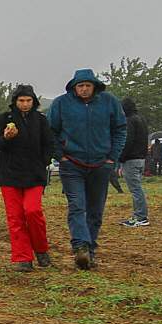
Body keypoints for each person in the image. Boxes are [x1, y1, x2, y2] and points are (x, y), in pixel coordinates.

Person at [49, 69, 127, 270]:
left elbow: (120, 129)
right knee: (77, 205)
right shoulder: (61, 103)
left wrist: (112, 158)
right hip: (72, 163)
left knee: (95, 210)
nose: (84, 89)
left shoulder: (109, 102)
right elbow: (50, 131)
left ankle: (89, 251)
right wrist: (61, 156)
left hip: (101, 164)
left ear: (94, 86)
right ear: (74, 87)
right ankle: (80, 246)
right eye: (80, 86)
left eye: (87, 85)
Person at [0, 84, 56, 272]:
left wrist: (44, 161)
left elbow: (50, 144)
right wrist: (6, 138)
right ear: (15, 102)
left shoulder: (41, 120)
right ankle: (23, 258)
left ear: (34, 101)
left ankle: (41, 251)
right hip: (10, 176)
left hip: (34, 175)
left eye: (28, 100)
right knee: (15, 218)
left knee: (33, 212)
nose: (25, 104)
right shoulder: (5, 119)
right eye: (21, 100)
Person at [117, 98, 150, 227]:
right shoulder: (141, 119)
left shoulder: (129, 120)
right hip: (141, 159)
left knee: (135, 189)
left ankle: (141, 216)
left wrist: (121, 157)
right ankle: (140, 215)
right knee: (138, 187)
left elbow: (127, 141)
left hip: (131, 159)